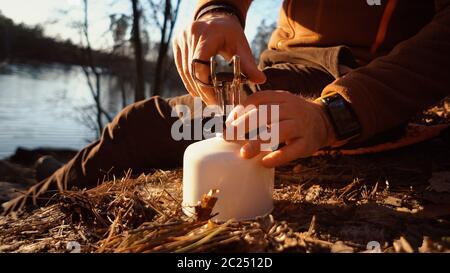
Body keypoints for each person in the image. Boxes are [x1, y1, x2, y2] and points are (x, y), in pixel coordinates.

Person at [3, 0, 450, 213]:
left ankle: (16, 212)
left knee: (138, 126)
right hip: (276, 64)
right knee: (133, 133)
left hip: (355, 75)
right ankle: (64, 175)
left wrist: (337, 113)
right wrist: (219, 13)